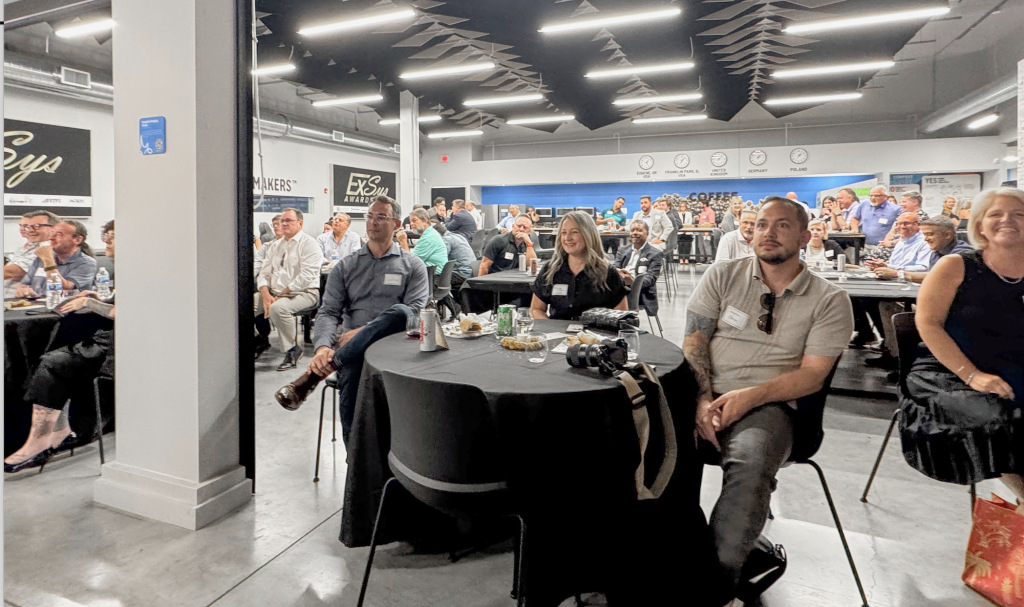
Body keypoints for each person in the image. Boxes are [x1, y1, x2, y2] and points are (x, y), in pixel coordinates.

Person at [684, 196, 854, 601]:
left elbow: (812, 376)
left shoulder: (830, 300)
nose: (768, 233)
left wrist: (748, 398)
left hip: (772, 404)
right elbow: (694, 342)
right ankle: (664, 560)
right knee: (638, 446)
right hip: (706, 395)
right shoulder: (723, 275)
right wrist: (701, 399)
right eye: (761, 224)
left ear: (804, 236)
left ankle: (713, 589)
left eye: (781, 225)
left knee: (750, 466)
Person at [901, 187, 1024, 501]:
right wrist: (972, 375)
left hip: (1012, 366)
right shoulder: (955, 266)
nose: (1007, 220)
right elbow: (927, 324)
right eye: (996, 214)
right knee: (997, 415)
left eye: (1019, 214)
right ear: (980, 224)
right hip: (947, 371)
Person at [299, 195, 430, 442]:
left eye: (381, 217)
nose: (373, 222)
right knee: (354, 368)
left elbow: (413, 314)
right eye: (369, 216)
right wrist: (323, 347)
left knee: (401, 311)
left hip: (396, 347)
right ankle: (356, 466)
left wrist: (362, 332)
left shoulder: (412, 265)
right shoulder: (346, 266)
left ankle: (333, 363)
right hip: (355, 354)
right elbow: (328, 312)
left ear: (396, 224)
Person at [5, 221, 116, 473]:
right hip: (108, 336)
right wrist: (98, 299)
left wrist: (93, 304)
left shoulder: (89, 263)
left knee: (55, 361)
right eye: (106, 236)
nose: (107, 241)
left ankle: (43, 438)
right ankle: (56, 429)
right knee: (53, 356)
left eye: (112, 237)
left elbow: (129, 310)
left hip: (121, 348)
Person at [860, 213, 934, 369]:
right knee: (865, 300)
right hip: (893, 282)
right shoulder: (901, 242)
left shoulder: (923, 243)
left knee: (880, 302)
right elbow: (893, 264)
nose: (901, 227)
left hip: (910, 286)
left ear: (917, 224)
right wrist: (883, 265)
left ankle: (895, 352)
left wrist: (894, 270)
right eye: (899, 224)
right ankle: (888, 345)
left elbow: (923, 268)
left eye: (906, 223)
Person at [255, 208, 323, 370]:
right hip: (274, 292)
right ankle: (259, 340)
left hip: (305, 292)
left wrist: (280, 294)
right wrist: (265, 294)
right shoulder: (275, 245)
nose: (283, 224)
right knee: (244, 304)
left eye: (288, 221)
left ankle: (292, 349)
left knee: (278, 308)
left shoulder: (309, 244)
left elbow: (306, 276)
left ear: (300, 223)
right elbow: (264, 272)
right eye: (281, 221)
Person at [530, 211, 628, 320]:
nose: (567, 238)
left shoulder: (608, 273)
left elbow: (622, 317)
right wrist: (551, 329)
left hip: (596, 335)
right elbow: (536, 309)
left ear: (588, 235)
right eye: (563, 232)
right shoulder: (550, 270)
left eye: (574, 232)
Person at [876, 216, 973, 284]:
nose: (925, 239)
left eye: (930, 234)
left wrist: (897, 274)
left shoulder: (961, 254)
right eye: (924, 235)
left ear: (947, 235)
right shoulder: (936, 252)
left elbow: (937, 277)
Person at [16, 219, 97, 298]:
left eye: (58, 234)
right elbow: (24, 285)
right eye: (52, 233)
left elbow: (64, 287)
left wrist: (48, 259)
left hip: (66, 308)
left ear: (77, 239)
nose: (51, 238)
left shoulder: (87, 263)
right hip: (35, 306)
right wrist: (23, 290)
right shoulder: (40, 258)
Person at [614, 220, 664, 316]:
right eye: (633, 230)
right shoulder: (622, 250)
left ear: (647, 234)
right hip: (619, 283)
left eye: (639, 230)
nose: (635, 233)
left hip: (640, 292)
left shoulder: (655, 254)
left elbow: (650, 279)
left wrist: (632, 281)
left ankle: (622, 323)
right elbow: (615, 267)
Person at [4, 210, 57, 298]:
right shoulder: (24, 247)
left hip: (21, 302)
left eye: (37, 226)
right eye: (25, 226)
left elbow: (13, 272)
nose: (29, 230)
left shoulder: (47, 248)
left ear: (54, 228)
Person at [397, 208, 448, 275]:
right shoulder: (431, 233)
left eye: (414, 220)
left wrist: (403, 242)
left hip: (433, 278)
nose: (411, 224)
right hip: (435, 275)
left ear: (425, 221)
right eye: (410, 222)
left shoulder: (428, 237)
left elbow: (410, 262)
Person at [436, 220, 474, 289]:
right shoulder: (458, 236)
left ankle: (446, 299)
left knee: (433, 280)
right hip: (471, 272)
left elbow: (440, 258)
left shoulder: (446, 240)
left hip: (460, 274)